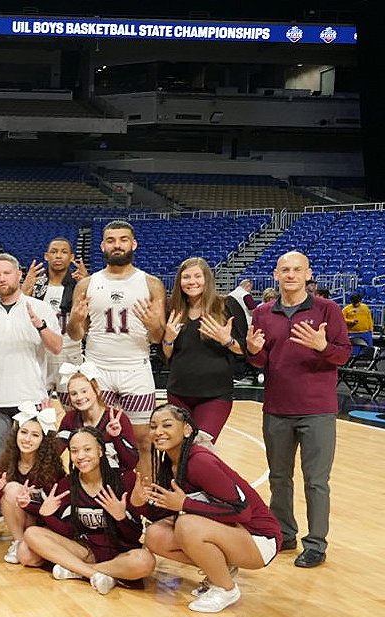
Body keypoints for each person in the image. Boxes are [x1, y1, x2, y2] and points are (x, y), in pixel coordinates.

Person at [247, 251, 350, 568]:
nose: (290, 275)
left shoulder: (327, 310)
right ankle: (285, 533)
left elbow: (343, 354)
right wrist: (252, 352)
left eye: (297, 270)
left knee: (316, 481)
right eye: (285, 270)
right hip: (276, 407)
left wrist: (323, 347)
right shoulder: (263, 312)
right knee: (279, 477)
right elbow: (261, 360)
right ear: (276, 276)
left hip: (317, 410)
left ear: (308, 275)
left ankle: (316, 543)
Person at [142, 404, 282, 613]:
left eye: (167, 425)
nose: (158, 432)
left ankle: (226, 589)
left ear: (187, 430)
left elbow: (242, 512)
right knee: (155, 535)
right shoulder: (169, 463)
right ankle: (221, 570)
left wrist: (184, 505)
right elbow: (166, 510)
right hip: (231, 532)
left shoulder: (200, 461)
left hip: (260, 538)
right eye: (153, 426)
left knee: (187, 524)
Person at [66, 220, 166, 478]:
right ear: (102, 246)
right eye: (111, 240)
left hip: (136, 368)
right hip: (99, 370)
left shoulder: (151, 283)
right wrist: (75, 321)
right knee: (98, 440)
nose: (117, 245)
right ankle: (102, 499)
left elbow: (157, 337)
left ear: (133, 244)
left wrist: (153, 324)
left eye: (123, 239)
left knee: (144, 441)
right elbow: (76, 334)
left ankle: (142, 502)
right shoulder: (87, 284)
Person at [22, 427, 154, 595]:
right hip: (85, 551)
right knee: (32, 533)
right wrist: (47, 516)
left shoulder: (123, 480)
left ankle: (76, 571)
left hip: (120, 556)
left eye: (87, 449)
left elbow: (133, 538)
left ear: (100, 450)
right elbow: (69, 532)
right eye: (74, 451)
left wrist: (121, 517)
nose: (81, 456)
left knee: (145, 561)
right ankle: (93, 574)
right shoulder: (67, 484)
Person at [0, 253, 62, 465]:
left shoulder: (40, 308)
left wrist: (40, 326)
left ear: (19, 275)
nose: (2, 278)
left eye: (7, 273)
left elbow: (56, 347)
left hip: (31, 398)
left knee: (34, 464)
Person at [161, 257, 247, 442]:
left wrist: (227, 340)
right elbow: (168, 356)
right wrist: (168, 339)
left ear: (207, 279)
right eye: (186, 277)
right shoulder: (172, 309)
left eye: (197, 276)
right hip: (178, 393)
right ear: (179, 281)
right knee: (179, 450)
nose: (192, 281)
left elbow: (245, 350)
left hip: (215, 394)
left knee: (201, 448)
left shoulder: (226, 305)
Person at [0, 404, 65, 566]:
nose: (27, 439)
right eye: (23, 432)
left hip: (46, 524)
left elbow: (55, 512)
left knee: (27, 558)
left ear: (43, 441)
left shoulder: (51, 469)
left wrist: (30, 505)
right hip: (23, 524)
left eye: (35, 435)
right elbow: (3, 505)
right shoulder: (8, 462)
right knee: (11, 488)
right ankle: (19, 542)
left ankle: (47, 553)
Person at [21, 237, 88, 396]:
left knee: (74, 406)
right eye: (54, 252)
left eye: (64, 252)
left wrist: (88, 284)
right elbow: (18, 311)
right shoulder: (36, 284)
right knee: (35, 406)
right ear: (46, 256)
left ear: (71, 257)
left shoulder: (80, 285)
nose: (58, 256)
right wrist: (26, 287)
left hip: (69, 351)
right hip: (40, 351)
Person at [56, 362, 138, 471]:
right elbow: (52, 455)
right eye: (74, 394)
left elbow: (131, 463)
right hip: (84, 479)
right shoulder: (70, 419)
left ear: (97, 391)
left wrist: (116, 437)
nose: (79, 397)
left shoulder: (117, 418)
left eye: (84, 391)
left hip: (116, 478)